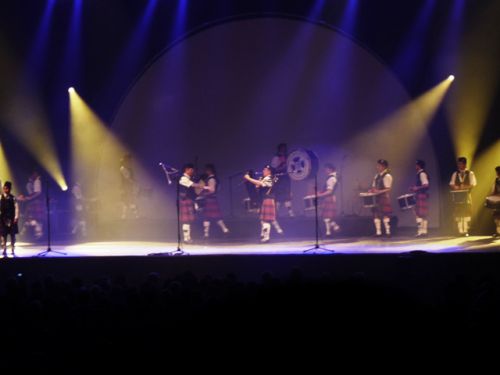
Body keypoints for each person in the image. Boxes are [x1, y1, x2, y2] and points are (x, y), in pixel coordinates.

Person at [244, 165, 284, 243]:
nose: (263, 171)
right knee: (263, 220)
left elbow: (260, 184)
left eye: (265, 170)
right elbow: (258, 185)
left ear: (269, 171)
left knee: (266, 220)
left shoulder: (269, 178)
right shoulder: (267, 178)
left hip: (268, 200)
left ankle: (266, 238)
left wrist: (248, 178)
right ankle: (263, 235)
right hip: (266, 200)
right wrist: (258, 183)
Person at [179, 163, 208, 243]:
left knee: (189, 220)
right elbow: (193, 185)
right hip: (186, 200)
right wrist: (205, 187)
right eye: (191, 169)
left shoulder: (189, 178)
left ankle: (188, 238)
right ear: (187, 169)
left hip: (189, 200)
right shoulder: (183, 178)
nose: (193, 171)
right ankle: (186, 238)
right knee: (186, 220)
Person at [449, 156, 477, 236]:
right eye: (458, 164)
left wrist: (465, 186)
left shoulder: (470, 173)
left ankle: (466, 231)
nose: (459, 165)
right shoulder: (455, 173)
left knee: (466, 213)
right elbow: (451, 183)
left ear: (464, 164)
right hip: (457, 196)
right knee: (458, 213)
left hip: (466, 196)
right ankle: (460, 230)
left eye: (460, 164)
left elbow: (473, 184)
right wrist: (455, 187)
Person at [200, 164, 229, 240]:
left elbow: (212, 190)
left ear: (209, 170)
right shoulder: (212, 178)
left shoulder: (211, 179)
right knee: (211, 217)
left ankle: (224, 230)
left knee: (210, 217)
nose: (205, 171)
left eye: (206, 170)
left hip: (210, 199)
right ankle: (223, 230)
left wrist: (204, 190)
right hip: (211, 200)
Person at [316, 163, 341, 236]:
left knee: (327, 216)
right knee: (326, 216)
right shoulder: (331, 177)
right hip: (328, 198)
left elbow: (329, 191)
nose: (325, 170)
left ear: (330, 169)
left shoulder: (331, 178)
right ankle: (331, 230)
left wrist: (320, 195)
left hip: (329, 198)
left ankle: (330, 231)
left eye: (326, 169)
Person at [370, 159, 393, 237]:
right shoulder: (376, 176)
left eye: (379, 165)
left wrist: (378, 191)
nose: (377, 167)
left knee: (385, 214)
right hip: (376, 197)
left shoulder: (387, 176)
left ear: (383, 166)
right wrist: (372, 190)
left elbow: (388, 188)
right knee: (376, 214)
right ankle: (378, 232)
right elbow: (373, 186)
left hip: (383, 197)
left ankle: (388, 232)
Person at [17, 170, 44, 239]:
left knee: (36, 219)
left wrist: (28, 198)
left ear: (35, 173)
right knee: (31, 218)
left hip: (36, 201)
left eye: (33, 175)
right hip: (33, 202)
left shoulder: (37, 181)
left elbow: (37, 193)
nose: (31, 176)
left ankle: (38, 233)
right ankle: (27, 232)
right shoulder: (32, 182)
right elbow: (32, 192)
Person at [270, 143, 294, 217]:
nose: (285, 150)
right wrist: (283, 166)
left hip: (286, 179)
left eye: (285, 149)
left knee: (287, 196)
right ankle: (276, 214)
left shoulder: (288, 157)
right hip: (279, 180)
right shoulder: (276, 158)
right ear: (280, 149)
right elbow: (273, 169)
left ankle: (290, 213)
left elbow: (291, 168)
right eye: (283, 148)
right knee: (279, 197)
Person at [410, 159, 430, 237]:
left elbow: (426, 185)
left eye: (416, 165)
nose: (415, 166)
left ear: (419, 165)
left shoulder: (422, 174)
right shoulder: (420, 173)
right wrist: (414, 188)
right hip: (421, 194)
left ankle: (421, 232)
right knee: (422, 214)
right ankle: (424, 232)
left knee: (419, 214)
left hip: (421, 195)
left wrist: (416, 188)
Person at [1, 181, 19, 257]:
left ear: (10, 189)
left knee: (12, 234)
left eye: (7, 188)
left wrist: (16, 216)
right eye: (4, 188)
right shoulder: (1, 197)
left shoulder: (13, 197)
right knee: (3, 234)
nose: (6, 190)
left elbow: (16, 207)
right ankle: (4, 248)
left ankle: (12, 248)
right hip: (3, 218)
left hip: (11, 218)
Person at [119, 154, 139, 219]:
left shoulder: (129, 169)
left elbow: (130, 177)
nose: (130, 162)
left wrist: (134, 182)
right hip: (125, 187)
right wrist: (134, 182)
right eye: (129, 160)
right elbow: (127, 177)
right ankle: (125, 216)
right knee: (127, 201)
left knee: (129, 201)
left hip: (129, 187)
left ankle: (134, 216)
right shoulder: (123, 168)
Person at [489, 166, 500, 238]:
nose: (497, 173)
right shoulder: (496, 180)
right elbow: (493, 190)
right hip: (497, 200)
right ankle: (498, 232)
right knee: (496, 217)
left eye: (498, 172)